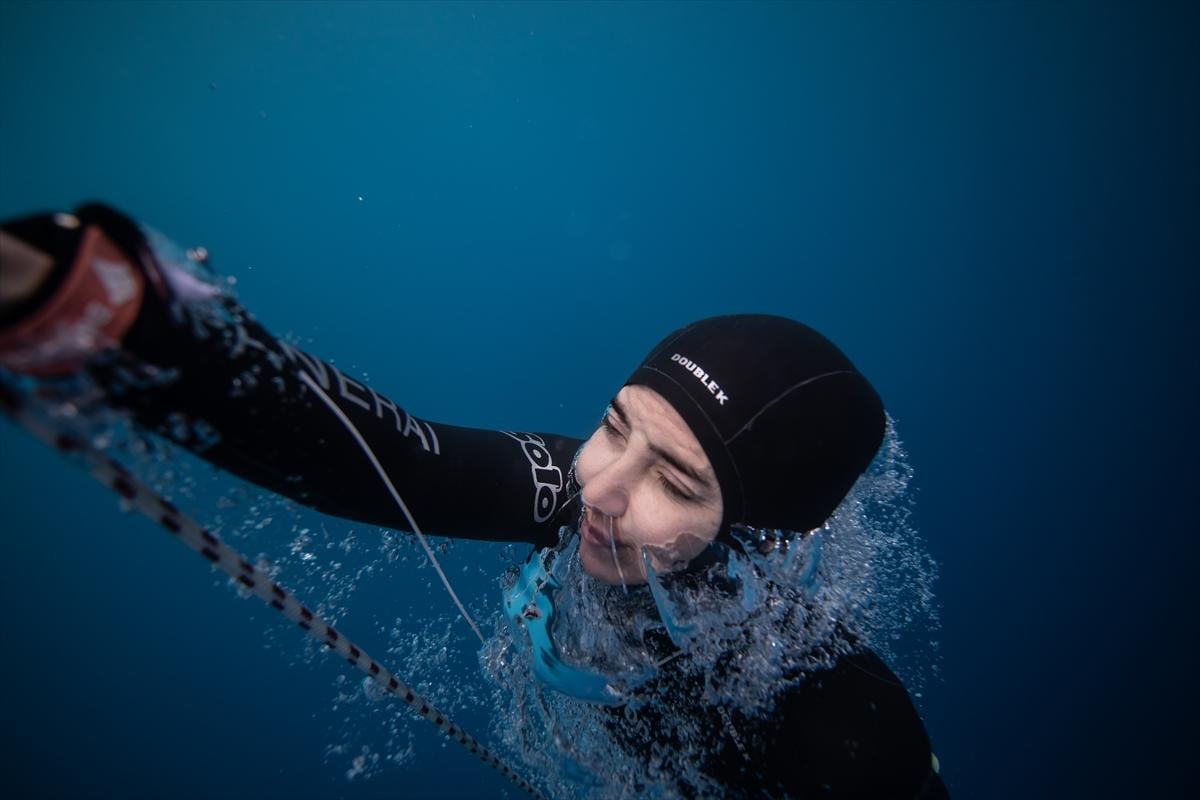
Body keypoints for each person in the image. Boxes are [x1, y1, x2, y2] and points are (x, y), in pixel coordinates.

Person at [0, 203, 948, 798]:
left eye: (675, 479)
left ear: (755, 535)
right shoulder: (587, 483)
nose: (598, 489)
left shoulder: (844, 730)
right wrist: (130, 319)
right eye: (616, 426)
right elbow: (398, 463)